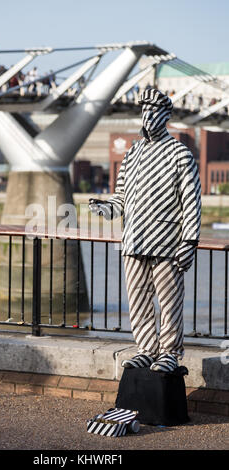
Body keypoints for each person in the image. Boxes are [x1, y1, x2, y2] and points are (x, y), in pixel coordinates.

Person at [89, 88, 201, 373]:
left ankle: (170, 353)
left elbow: (192, 202)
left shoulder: (180, 154)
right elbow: (122, 197)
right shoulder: (132, 153)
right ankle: (146, 350)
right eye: (144, 111)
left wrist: (189, 241)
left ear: (165, 116)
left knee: (170, 300)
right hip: (134, 240)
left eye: (154, 111)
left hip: (167, 243)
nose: (147, 116)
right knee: (137, 299)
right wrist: (106, 208)